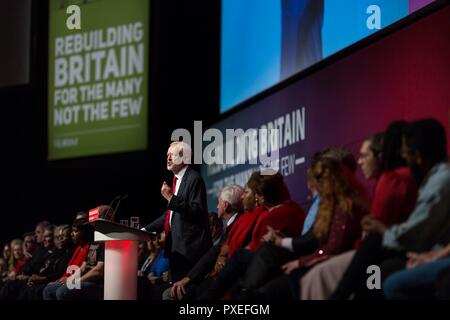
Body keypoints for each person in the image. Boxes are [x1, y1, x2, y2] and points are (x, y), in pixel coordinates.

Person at [331, 118, 450, 300]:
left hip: (415, 248)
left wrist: (380, 230)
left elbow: (414, 234)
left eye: (364, 156)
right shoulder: (429, 178)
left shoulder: (403, 180)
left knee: (377, 271)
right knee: (373, 265)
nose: (360, 162)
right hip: (417, 249)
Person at [301, 122, 417, 300]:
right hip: (373, 253)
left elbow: (375, 236)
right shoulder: (384, 184)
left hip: (380, 254)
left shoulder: (392, 181)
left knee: (322, 276)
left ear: (380, 156)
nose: (360, 161)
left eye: (364, 156)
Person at [197, 172, 306, 300]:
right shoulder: (292, 208)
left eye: (247, 192)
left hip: (271, 273)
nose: (242, 196)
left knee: (239, 258)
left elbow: (261, 253)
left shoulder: (273, 216)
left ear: (260, 197)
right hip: (267, 269)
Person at [142, 141, 212, 282]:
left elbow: (197, 211)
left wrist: (170, 198)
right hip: (176, 250)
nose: (168, 158)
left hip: (190, 251)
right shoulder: (177, 180)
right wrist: (144, 230)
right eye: (167, 155)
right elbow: (169, 216)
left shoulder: (194, 178)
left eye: (172, 155)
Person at [165, 185, 244, 300]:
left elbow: (214, 253)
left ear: (226, 205)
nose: (217, 206)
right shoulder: (233, 224)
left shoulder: (237, 224)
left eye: (219, 202)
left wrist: (187, 279)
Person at [43, 218, 104, 300]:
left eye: (76, 231)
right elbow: (83, 267)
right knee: (48, 290)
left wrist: (76, 281)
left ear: (85, 233)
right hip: (85, 281)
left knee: (63, 291)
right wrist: (70, 279)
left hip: (96, 284)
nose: (72, 234)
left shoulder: (103, 243)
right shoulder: (93, 245)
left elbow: (98, 271)